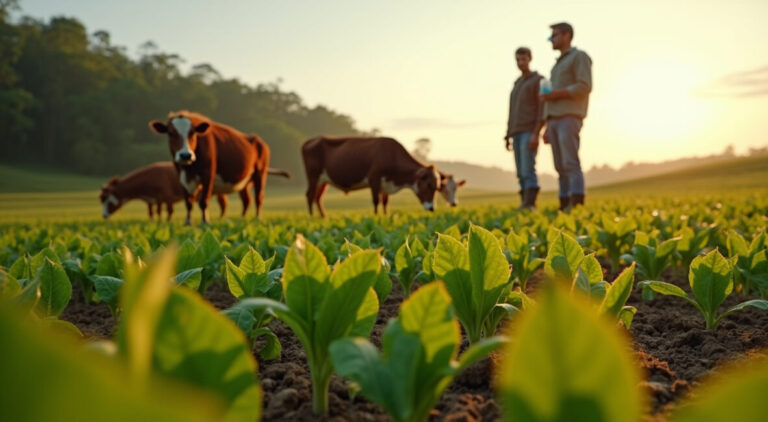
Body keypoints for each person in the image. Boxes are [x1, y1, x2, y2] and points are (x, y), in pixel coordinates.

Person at [540, 22, 592, 210]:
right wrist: (546, 124)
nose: (551, 40)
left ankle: (577, 203)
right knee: (559, 165)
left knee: (570, 162)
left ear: (566, 35)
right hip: (554, 118)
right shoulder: (557, 65)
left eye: (553, 36)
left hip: (569, 116)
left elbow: (584, 86)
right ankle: (564, 203)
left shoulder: (579, 57)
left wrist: (557, 94)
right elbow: (550, 98)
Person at [504, 47, 543, 210]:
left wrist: (536, 133)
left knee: (528, 169)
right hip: (516, 132)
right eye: (518, 60)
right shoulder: (517, 84)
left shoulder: (538, 80)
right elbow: (512, 111)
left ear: (530, 59)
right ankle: (524, 203)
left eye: (523, 59)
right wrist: (507, 135)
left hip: (529, 131)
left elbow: (542, 108)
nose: (520, 63)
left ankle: (530, 204)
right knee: (520, 172)